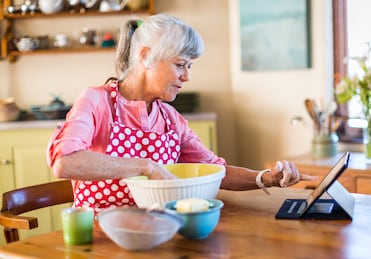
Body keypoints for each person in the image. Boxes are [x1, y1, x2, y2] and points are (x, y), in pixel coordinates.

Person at [46, 14, 314, 214]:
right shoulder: (96, 101)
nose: (186, 76)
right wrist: (147, 167)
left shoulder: (170, 118)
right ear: (146, 57)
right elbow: (65, 162)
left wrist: (265, 177)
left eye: (190, 66)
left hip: (160, 234)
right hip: (101, 239)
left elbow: (215, 171)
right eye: (180, 65)